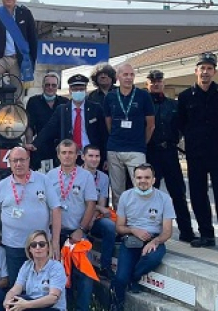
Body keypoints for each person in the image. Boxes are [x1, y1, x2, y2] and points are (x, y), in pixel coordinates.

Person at [176, 52, 218, 253]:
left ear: (214, 71)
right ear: (196, 71)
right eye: (202, 68)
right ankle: (206, 234)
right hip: (196, 156)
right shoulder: (186, 97)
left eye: (209, 68)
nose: (205, 72)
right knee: (197, 196)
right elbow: (179, 125)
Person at [0, 146, 61, 287]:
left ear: (28, 160)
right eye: (15, 161)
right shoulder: (2, 186)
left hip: (40, 246)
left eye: (22, 160)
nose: (18, 164)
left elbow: (56, 210)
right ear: (10, 163)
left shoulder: (43, 180)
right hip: (14, 247)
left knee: (41, 286)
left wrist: (55, 242)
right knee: (16, 287)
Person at [111, 164, 174, 311]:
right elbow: (119, 227)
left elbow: (167, 231)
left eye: (147, 177)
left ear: (153, 180)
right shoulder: (126, 196)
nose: (142, 181)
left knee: (152, 258)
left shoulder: (164, 198)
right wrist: (133, 230)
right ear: (134, 179)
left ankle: (134, 277)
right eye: (139, 177)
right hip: (132, 239)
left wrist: (155, 241)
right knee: (120, 279)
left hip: (154, 239)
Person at [46, 139, 98, 311]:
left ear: (77, 155)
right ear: (58, 154)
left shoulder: (86, 177)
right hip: (55, 233)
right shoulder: (49, 176)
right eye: (63, 152)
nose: (67, 156)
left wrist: (81, 229)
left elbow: (91, 204)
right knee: (56, 271)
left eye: (71, 152)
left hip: (76, 233)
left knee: (85, 272)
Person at [144, 71, 193, 243]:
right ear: (147, 84)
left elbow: (182, 126)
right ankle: (150, 231)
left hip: (170, 152)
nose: (156, 84)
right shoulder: (143, 104)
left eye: (159, 81)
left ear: (163, 83)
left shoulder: (173, 104)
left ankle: (187, 231)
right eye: (152, 82)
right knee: (150, 194)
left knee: (178, 193)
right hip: (151, 153)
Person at [33, 73, 108, 169]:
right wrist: (34, 144)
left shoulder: (95, 108)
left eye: (81, 89)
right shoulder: (62, 109)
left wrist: (105, 157)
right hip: (70, 154)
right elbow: (49, 129)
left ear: (85, 90)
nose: (78, 92)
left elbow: (104, 134)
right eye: (75, 89)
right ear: (70, 91)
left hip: (90, 155)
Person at [103, 63, 155, 196]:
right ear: (117, 76)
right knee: (117, 191)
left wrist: (142, 143)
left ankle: (140, 216)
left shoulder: (143, 95)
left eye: (131, 75)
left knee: (142, 188)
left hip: (136, 149)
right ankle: (118, 217)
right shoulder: (110, 97)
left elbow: (150, 125)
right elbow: (108, 123)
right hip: (114, 149)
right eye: (125, 74)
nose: (129, 78)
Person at [81, 144, 117, 278]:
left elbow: (102, 204)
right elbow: (79, 202)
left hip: (94, 218)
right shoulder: (77, 175)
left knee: (109, 226)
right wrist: (97, 208)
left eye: (97, 156)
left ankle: (105, 266)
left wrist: (94, 215)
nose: (94, 159)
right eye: (90, 156)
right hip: (77, 217)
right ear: (83, 157)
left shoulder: (103, 177)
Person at [24, 72, 69, 170]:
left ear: (57, 87)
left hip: (60, 147)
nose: (50, 88)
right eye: (47, 85)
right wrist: (30, 144)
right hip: (40, 146)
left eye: (53, 85)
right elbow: (29, 126)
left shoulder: (65, 102)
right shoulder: (33, 101)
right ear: (43, 86)